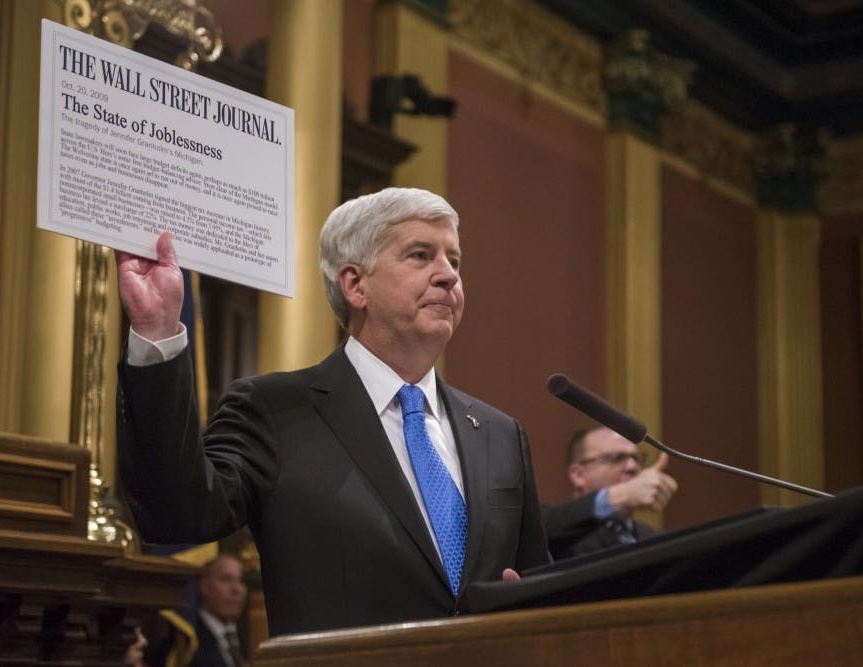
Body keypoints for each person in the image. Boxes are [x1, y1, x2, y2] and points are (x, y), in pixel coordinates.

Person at [116, 187, 549, 637]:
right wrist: (157, 330)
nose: (448, 276)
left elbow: (539, 584)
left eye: (454, 260)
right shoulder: (275, 411)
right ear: (355, 284)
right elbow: (176, 512)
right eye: (421, 255)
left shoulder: (500, 435)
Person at [542, 424, 678, 560]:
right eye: (616, 458)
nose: (633, 467)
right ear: (578, 474)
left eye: (636, 458)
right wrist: (621, 496)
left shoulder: (656, 540)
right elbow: (541, 531)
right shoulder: (557, 534)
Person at [188, 553, 249, 667]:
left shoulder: (249, 636)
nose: (237, 589)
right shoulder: (189, 643)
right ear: (204, 586)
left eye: (241, 580)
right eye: (226, 579)